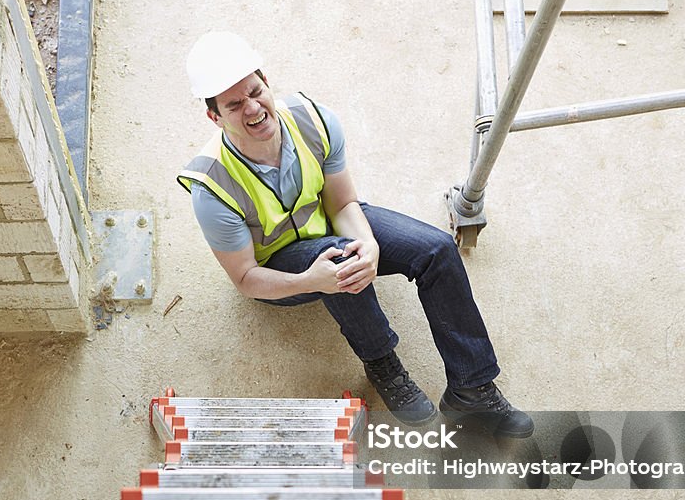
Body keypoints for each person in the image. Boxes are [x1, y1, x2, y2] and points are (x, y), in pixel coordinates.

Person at [177, 31, 533, 438]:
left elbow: (343, 204)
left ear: (266, 83)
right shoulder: (212, 188)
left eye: (256, 91)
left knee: (435, 250)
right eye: (234, 105)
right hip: (279, 266)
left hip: (330, 224)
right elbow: (244, 279)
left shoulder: (313, 120)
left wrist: (370, 245)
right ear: (215, 117)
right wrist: (310, 280)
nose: (253, 108)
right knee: (341, 258)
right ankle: (382, 361)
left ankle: (472, 388)